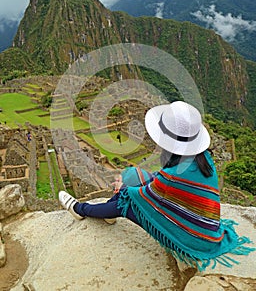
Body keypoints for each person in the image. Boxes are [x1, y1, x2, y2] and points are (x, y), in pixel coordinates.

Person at [59, 101, 255, 271]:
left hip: (190, 239)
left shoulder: (172, 177)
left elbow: (143, 196)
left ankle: (82, 209)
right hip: (208, 231)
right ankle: (107, 211)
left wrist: (122, 188)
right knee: (134, 176)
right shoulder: (203, 159)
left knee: (125, 201)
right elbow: (158, 184)